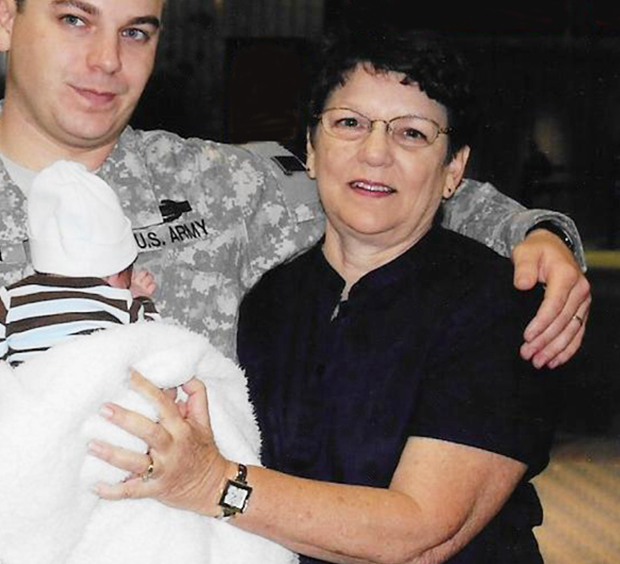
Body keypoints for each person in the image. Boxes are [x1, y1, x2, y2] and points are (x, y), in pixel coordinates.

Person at [0, 0, 589, 564]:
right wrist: (69, 489)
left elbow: (381, 184)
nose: (106, 61)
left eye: (136, 31)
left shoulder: (218, 187)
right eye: (75, 20)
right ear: (5, 20)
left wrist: (536, 235)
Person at [89, 30, 564, 563]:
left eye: (412, 133)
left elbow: (420, 533)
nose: (376, 152)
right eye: (349, 124)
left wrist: (216, 483)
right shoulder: (269, 302)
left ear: (453, 169)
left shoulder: (496, 305)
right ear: (311, 149)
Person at [0, 160, 159, 372]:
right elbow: (155, 340)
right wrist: (141, 298)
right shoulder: (119, 302)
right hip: (101, 395)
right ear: (114, 272)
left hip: (32, 397)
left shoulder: (11, 300)